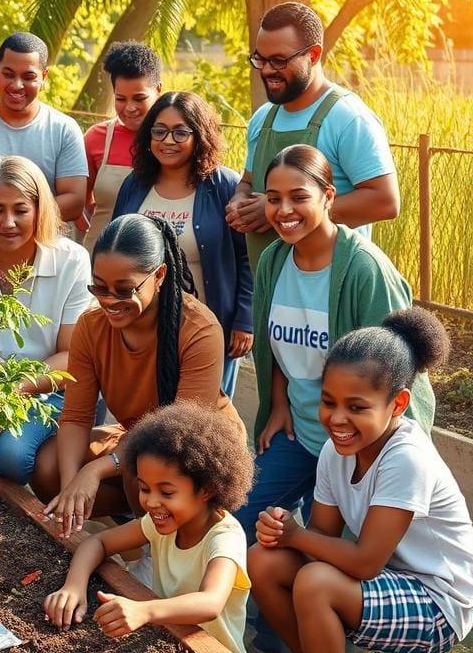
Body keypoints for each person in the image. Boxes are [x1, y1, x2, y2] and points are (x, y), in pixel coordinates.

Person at [235, 144, 435, 540]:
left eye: (299, 197)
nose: (284, 210)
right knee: (236, 522)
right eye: (273, 199)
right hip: (301, 434)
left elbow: (397, 368)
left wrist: (374, 460)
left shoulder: (365, 269)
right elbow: (273, 347)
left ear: (328, 197)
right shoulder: (274, 260)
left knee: (328, 552)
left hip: (357, 443)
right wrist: (277, 403)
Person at [249, 307, 473, 653]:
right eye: (328, 402)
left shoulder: (406, 458)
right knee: (262, 560)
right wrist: (282, 533)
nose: (337, 419)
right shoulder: (334, 452)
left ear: (398, 404)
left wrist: (295, 535)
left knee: (315, 583)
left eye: (357, 407)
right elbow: (323, 536)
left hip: (439, 602)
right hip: (388, 581)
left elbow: (365, 562)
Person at [32, 213, 245, 537]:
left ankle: (154, 542)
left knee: (145, 463)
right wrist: (72, 488)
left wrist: (95, 471)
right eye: (99, 288)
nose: (109, 301)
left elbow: (178, 433)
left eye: (124, 289)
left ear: (159, 275)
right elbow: (76, 416)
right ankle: (137, 530)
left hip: (195, 447)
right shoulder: (91, 326)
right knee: (49, 465)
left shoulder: (199, 329)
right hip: (138, 437)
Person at [44, 402, 254, 653]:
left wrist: (144, 610)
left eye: (166, 492)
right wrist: (73, 586)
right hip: (166, 635)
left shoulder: (224, 537)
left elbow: (210, 602)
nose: (151, 502)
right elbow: (97, 542)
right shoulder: (162, 521)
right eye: (144, 488)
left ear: (208, 489)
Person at [0, 155, 92, 484]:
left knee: (10, 455)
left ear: (40, 210)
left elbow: (72, 357)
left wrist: (10, 393)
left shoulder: (72, 261)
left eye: (20, 210)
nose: (7, 222)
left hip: (52, 389)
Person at [224, 1, 399, 269]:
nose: (267, 70)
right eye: (260, 58)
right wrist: (240, 201)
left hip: (334, 285)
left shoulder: (348, 117)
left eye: (279, 60)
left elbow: (385, 201)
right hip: (270, 286)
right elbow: (248, 183)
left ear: (314, 55)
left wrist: (275, 213)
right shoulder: (262, 119)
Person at [112, 91, 253, 397]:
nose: (168, 140)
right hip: (142, 326)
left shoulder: (224, 186)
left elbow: (246, 259)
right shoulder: (134, 184)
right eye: (159, 131)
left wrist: (245, 318)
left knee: (202, 416)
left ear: (199, 135)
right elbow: (116, 246)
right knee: (145, 410)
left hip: (207, 325)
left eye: (180, 132)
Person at [0, 32, 87, 222]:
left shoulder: (64, 129)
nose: (17, 85)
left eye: (28, 77)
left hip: (46, 248)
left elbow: (74, 202)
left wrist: (18, 218)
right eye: (8, 74)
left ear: (44, 76)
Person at [81, 41, 162, 250]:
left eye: (139, 98)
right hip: (98, 258)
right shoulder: (96, 138)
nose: (130, 108)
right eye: (121, 99)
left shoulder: (173, 141)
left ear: (158, 90)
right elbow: (79, 202)